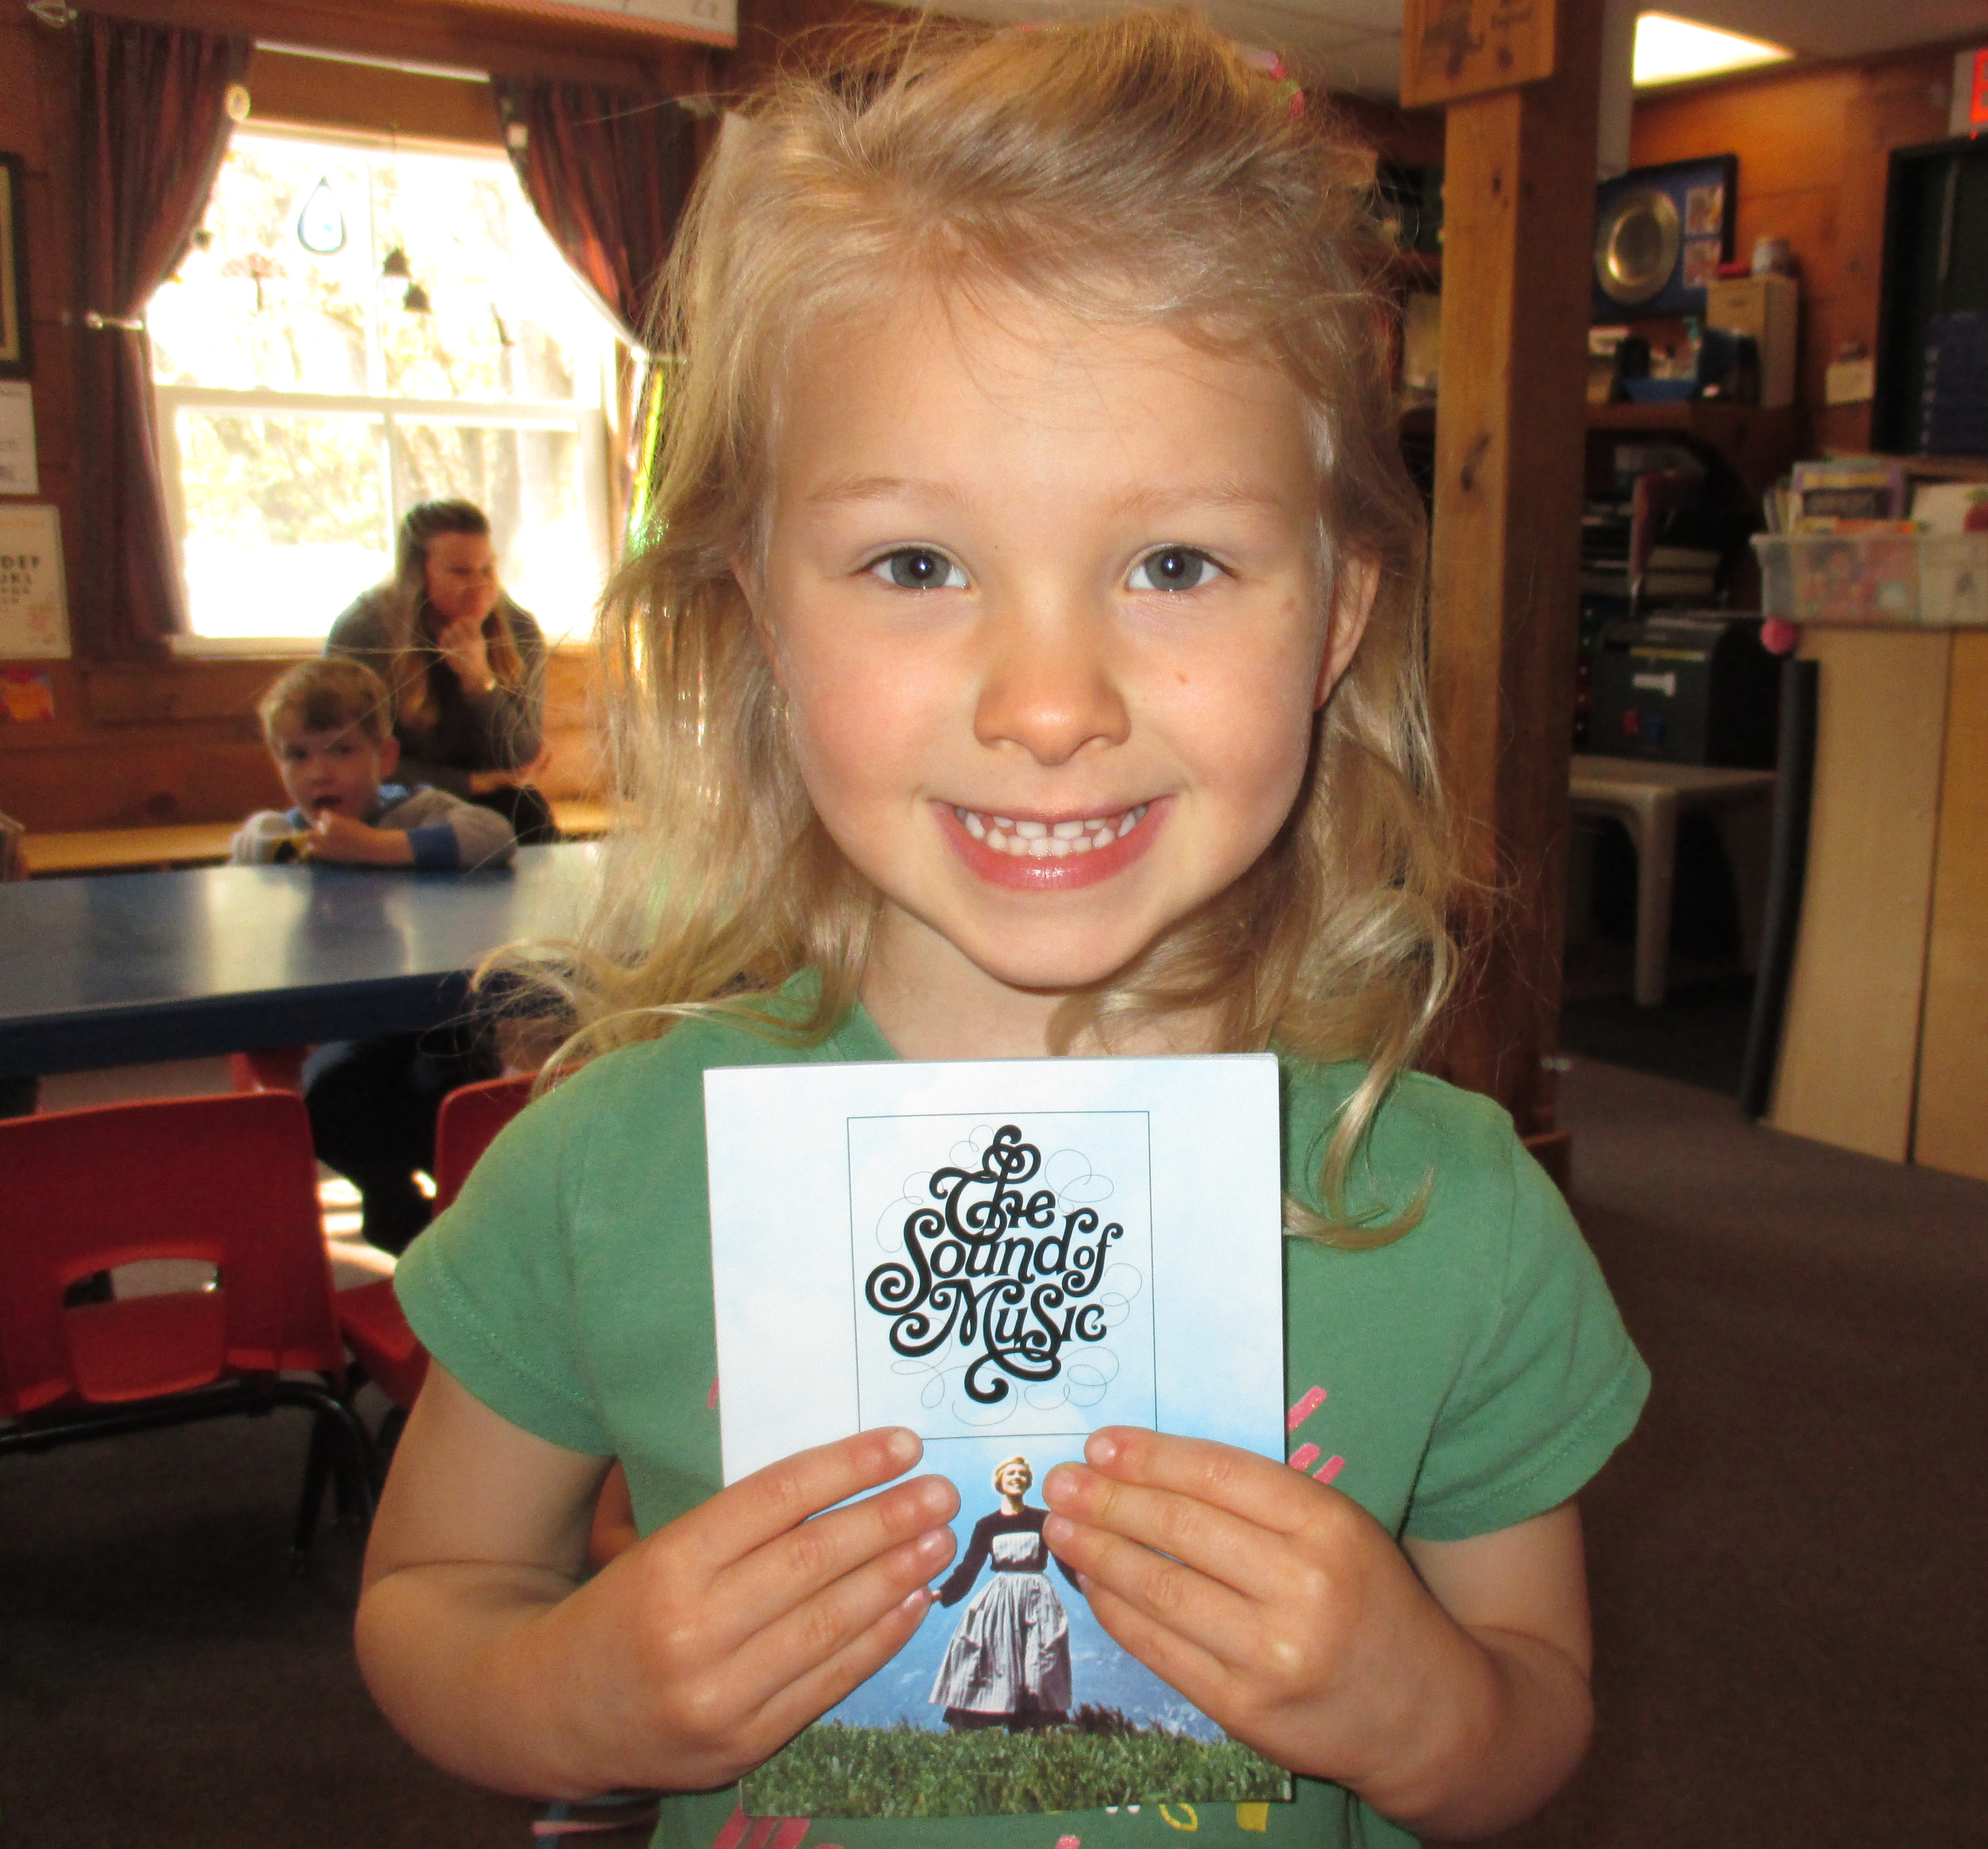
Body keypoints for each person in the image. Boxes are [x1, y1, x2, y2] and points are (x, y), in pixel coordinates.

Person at [355, 16, 1650, 1848]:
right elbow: (432, 1593)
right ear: (763, 616)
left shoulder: (1452, 1214)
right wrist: (580, 1688)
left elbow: (1536, 1703)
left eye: (1176, 564)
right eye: (916, 564)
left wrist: (1419, 1701)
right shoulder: (609, 1171)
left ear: (1338, 618)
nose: (1049, 704)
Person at [234, 657, 515, 1254]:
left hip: (438, 1018)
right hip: (349, 1029)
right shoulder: (287, 832)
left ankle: (472, 1223)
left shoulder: (416, 811)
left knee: (458, 1099)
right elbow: (247, 848)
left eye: (341, 751)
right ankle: (397, 1209)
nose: (319, 772)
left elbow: (495, 836)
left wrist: (374, 846)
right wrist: (281, 848)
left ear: (384, 758)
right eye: (298, 756)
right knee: (330, 1095)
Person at [327, 498, 557, 844]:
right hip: (391, 799)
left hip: (492, 798)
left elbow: (522, 757)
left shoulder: (518, 629)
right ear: (419, 576)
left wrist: (480, 682)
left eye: (487, 569)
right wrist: (469, 783)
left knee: (529, 816)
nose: (480, 587)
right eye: (461, 572)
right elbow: (347, 758)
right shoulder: (365, 632)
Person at [929, 1457, 1082, 1732]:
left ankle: (1035, 1727)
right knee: (993, 1655)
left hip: (1038, 1597)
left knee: (1041, 1658)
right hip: (1002, 1598)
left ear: (1028, 1482)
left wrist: (1091, 1587)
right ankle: (983, 1716)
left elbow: (1066, 1561)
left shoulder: (1043, 1520)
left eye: (1022, 1474)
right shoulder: (987, 1525)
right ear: (1000, 1481)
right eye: (1011, 1473)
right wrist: (941, 1593)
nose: (1017, 1478)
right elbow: (970, 1566)